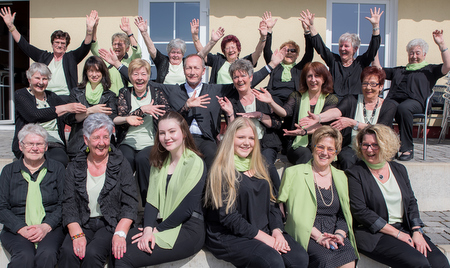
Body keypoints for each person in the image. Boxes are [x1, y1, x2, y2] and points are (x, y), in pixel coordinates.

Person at [146, 51, 285, 170]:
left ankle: (208, 200)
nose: (192, 72)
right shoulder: (174, 90)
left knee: (213, 159)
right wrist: (186, 106)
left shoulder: (214, 90)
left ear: (203, 70)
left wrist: (271, 65)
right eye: (188, 68)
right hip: (182, 139)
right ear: (184, 70)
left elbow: (243, 83)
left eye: (196, 68)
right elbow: (146, 82)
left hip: (206, 140)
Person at [204, 117, 309, 267]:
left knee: (299, 258)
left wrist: (277, 231)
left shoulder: (261, 165)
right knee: (272, 261)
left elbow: (272, 204)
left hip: (262, 228)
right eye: (241, 137)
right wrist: (267, 240)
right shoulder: (222, 170)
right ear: (230, 139)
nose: (247, 143)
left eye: (251, 138)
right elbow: (229, 218)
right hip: (229, 233)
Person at [346, 124, 450, 268]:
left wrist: (417, 231)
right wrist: (397, 234)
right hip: (375, 234)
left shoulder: (399, 169)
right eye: (365, 145)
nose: (369, 150)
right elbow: (360, 211)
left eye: (375, 145)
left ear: (385, 145)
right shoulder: (355, 173)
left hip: (405, 229)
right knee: (418, 263)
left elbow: (411, 202)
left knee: (440, 263)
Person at [115, 111, 206, 267]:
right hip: (163, 223)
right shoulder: (160, 162)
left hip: (188, 228)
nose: (167, 137)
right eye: (162, 133)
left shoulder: (194, 163)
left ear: (183, 132)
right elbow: (151, 202)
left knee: (125, 258)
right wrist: (148, 229)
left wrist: (154, 231)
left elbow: (186, 209)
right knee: (118, 246)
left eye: (172, 131)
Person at [59, 113, 138, 267]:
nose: (101, 143)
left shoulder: (121, 163)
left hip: (110, 223)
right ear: (86, 140)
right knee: (69, 251)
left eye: (106, 137)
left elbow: (130, 203)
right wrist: (76, 234)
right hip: (82, 222)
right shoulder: (75, 165)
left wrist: (120, 233)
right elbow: (69, 204)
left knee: (93, 253)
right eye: (96, 138)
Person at [278, 126, 358, 268]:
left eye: (330, 149)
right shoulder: (293, 173)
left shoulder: (341, 176)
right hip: (307, 232)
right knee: (325, 259)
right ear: (313, 147)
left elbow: (343, 213)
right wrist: (319, 237)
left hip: (333, 232)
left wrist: (339, 234)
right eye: (320, 147)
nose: (324, 153)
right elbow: (287, 212)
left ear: (336, 153)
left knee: (349, 257)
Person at [299, 67, 397, 170]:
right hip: (353, 147)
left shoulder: (389, 106)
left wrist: (353, 123)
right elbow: (336, 112)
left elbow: (379, 130)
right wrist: (318, 117)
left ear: (381, 87)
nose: (368, 88)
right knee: (346, 159)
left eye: (373, 84)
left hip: (377, 148)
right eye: (365, 83)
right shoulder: (352, 100)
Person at [374, 30, 450, 161]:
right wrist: (374, 50)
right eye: (411, 53)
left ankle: (407, 148)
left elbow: (447, 66)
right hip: (395, 100)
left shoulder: (430, 70)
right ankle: (388, 148)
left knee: (404, 108)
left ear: (424, 55)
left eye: (417, 53)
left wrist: (442, 44)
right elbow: (378, 70)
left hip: (417, 102)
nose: (414, 56)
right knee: (386, 106)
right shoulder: (400, 70)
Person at [0, 124, 65, 268]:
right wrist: (21, 228)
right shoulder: (9, 171)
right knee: (24, 256)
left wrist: (46, 226)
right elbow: (1, 206)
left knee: (47, 253)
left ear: (46, 147)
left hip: (51, 227)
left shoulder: (57, 169)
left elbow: (64, 203)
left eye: (39, 144)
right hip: (16, 228)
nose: (35, 148)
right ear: (21, 146)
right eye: (30, 144)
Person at [0, 7, 97, 102]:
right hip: (46, 98)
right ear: (52, 44)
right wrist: (11, 26)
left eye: (62, 43)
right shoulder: (44, 57)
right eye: (57, 42)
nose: (59, 45)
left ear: (66, 47)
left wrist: (89, 30)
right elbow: (25, 46)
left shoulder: (71, 57)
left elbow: (85, 46)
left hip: (66, 98)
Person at [253, 62, 338, 165]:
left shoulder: (331, 99)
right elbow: (284, 112)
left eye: (317, 76)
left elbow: (325, 126)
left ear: (324, 79)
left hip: (322, 145)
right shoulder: (296, 96)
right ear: (305, 79)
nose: (313, 80)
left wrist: (305, 131)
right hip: (297, 145)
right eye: (309, 76)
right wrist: (271, 102)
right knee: (306, 155)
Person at [217, 59, 283, 191]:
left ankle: (279, 197)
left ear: (251, 77)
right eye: (235, 77)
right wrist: (230, 113)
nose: (240, 80)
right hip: (244, 145)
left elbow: (277, 124)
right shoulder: (232, 102)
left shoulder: (262, 96)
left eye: (243, 75)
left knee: (266, 163)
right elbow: (232, 132)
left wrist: (259, 115)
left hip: (265, 143)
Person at [113, 58, 169, 204]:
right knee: (125, 159)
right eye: (135, 74)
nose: (139, 78)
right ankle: (123, 204)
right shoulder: (124, 93)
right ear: (130, 77)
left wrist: (186, 106)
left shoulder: (157, 93)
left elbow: (168, 115)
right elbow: (118, 118)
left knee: (143, 159)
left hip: (150, 142)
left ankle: (147, 205)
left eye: (143, 74)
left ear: (149, 76)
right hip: (128, 141)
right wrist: (141, 110)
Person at [12, 63, 87, 167]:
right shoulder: (21, 95)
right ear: (29, 79)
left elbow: (68, 117)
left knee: (60, 160)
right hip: (29, 141)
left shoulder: (52, 96)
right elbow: (34, 115)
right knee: (39, 161)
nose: (41, 82)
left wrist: (89, 111)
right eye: (37, 78)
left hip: (53, 142)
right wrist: (66, 107)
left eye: (45, 79)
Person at [299, 8, 382, 99]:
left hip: (353, 104)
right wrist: (311, 27)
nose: (342, 49)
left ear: (355, 49)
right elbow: (320, 47)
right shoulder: (334, 61)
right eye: (340, 46)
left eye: (346, 46)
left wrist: (375, 26)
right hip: (334, 103)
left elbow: (373, 48)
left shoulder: (360, 63)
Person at [65, 56, 117, 159]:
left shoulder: (109, 95)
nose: (94, 75)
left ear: (103, 73)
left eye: (97, 71)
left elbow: (113, 119)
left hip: (102, 144)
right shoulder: (76, 92)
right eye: (90, 71)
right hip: (78, 142)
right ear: (86, 73)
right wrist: (90, 111)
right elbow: (69, 118)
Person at [262, 11, 314, 105]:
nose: (289, 52)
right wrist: (269, 31)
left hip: (293, 100)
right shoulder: (275, 66)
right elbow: (266, 51)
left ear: (297, 55)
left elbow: (309, 54)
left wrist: (307, 31)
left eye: (293, 50)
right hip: (275, 99)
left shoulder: (299, 68)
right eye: (286, 50)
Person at [193, 18, 266, 84]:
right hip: (219, 97)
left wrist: (263, 37)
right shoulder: (218, 60)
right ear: (224, 51)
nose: (231, 50)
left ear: (238, 49)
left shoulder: (244, 62)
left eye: (233, 47)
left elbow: (258, 53)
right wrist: (195, 36)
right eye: (227, 48)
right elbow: (202, 54)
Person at [135, 16, 204, 85]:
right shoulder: (163, 62)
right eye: (173, 52)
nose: (175, 55)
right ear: (168, 53)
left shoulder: (187, 63)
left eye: (178, 52)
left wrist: (195, 36)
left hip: (183, 95)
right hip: (164, 94)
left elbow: (202, 54)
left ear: (183, 54)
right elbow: (152, 50)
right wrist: (144, 33)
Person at [91, 15, 142, 96]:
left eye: (120, 44)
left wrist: (129, 33)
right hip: (109, 99)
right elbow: (94, 47)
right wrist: (94, 27)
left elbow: (137, 51)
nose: (117, 47)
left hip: (127, 98)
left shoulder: (131, 61)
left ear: (127, 48)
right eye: (115, 44)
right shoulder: (106, 59)